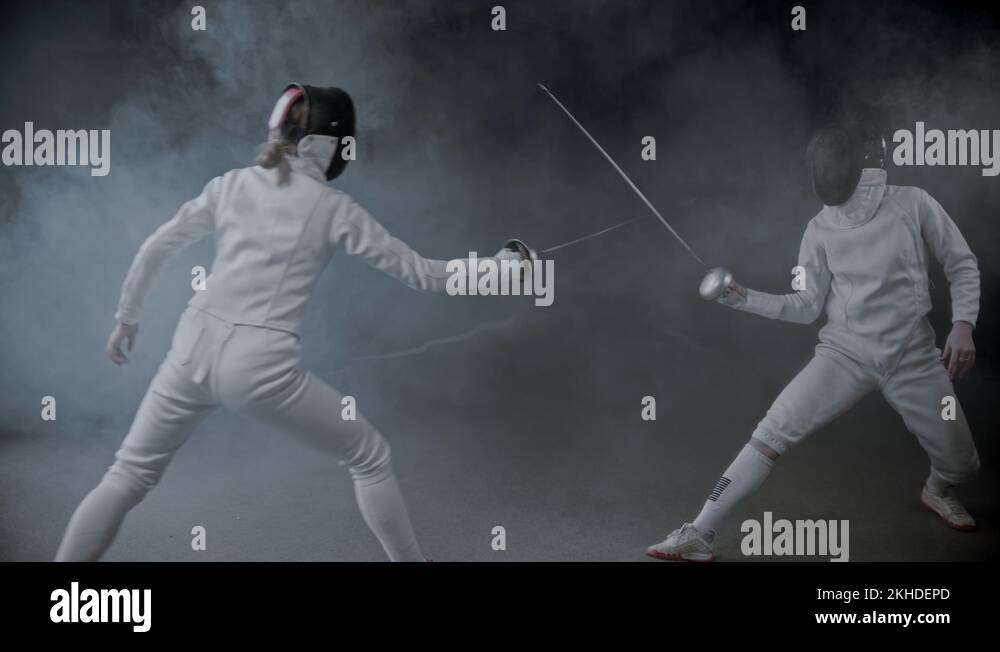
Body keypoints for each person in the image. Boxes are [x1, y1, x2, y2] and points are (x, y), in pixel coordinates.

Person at [56, 83, 526, 562]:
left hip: (191, 348)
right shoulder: (335, 210)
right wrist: (503, 269)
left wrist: (127, 319)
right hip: (258, 366)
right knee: (370, 457)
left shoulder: (231, 184)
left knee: (127, 475)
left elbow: (158, 246)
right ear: (330, 145)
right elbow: (425, 275)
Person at [646, 122, 981, 561]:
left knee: (962, 463)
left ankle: (937, 488)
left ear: (870, 169)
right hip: (845, 352)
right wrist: (745, 299)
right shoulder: (819, 229)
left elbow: (961, 263)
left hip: (913, 355)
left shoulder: (914, 204)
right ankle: (698, 532)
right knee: (770, 432)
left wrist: (963, 324)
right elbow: (806, 305)